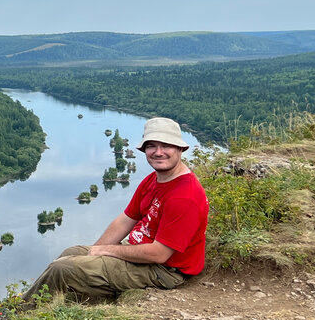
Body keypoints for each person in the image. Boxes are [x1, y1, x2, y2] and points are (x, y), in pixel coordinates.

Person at [24, 117, 208, 303]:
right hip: (140, 253)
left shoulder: (185, 196)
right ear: (144, 149)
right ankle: (58, 303)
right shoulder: (154, 179)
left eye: (166, 146)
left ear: (180, 148)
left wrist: (107, 251)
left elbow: (159, 254)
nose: (158, 152)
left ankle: (15, 315)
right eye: (152, 146)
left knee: (62, 269)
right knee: (70, 253)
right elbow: (125, 220)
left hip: (164, 271)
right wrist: (95, 251)